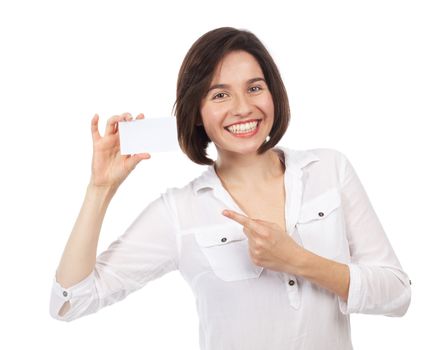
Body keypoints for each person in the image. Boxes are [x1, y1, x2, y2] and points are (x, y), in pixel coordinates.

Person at [49, 27, 411, 349]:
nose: (243, 108)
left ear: (274, 94)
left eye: (255, 88)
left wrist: (297, 260)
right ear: (197, 113)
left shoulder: (329, 169)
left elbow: (397, 294)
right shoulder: (180, 212)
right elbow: (70, 302)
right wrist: (100, 189)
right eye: (220, 95)